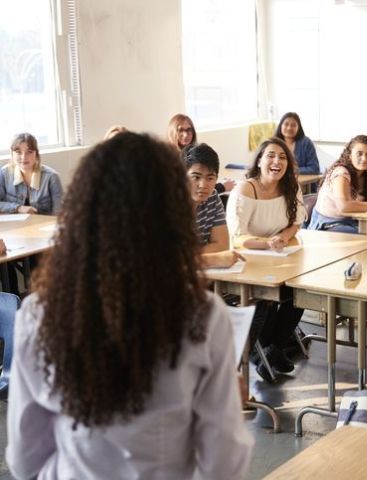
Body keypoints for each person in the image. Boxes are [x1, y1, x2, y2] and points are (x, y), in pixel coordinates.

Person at [5, 132, 253, 479]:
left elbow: (24, 461)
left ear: (81, 214)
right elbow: (223, 465)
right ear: (173, 215)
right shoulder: (204, 316)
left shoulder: (38, 315)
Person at [226, 137, 306, 381]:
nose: (277, 161)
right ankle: (268, 354)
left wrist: (282, 237)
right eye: (270, 155)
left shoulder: (291, 187)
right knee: (266, 299)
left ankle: (272, 351)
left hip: (279, 256)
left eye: (282, 157)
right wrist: (266, 244)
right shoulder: (245, 189)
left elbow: (296, 222)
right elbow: (237, 237)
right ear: (259, 161)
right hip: (247, 260)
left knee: (298, 292)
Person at [308, 135, 367, 233]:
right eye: (359, 154)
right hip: (327, 224)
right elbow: (344, 206)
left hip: (349, 222)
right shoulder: (341, 172)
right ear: (350, 155)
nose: (364, 158)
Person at [181, 142, 243, 268]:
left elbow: (222, 245)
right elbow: (166, 260)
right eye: (196, 177)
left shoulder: (212, 197)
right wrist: (213, 259)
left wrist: (189, 257)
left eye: (210, 178)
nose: (203, 185)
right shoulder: (166, 203)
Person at [167, 113, 235, 194]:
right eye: (180, 130)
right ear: (172, 132)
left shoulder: (195, 154)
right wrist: (222, 187)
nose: (185, 135)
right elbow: (187, 190)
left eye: (189, 130)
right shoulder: (167, 159)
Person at [0, 133, 63, 215]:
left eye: (29, 152)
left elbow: (58, 214)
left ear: (36, 154)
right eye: (18, 152)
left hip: (43, 225)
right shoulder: (4, 173)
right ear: (12, 154)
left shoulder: (52, 177)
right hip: (15, 226)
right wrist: (18, 208)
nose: (23, 157)